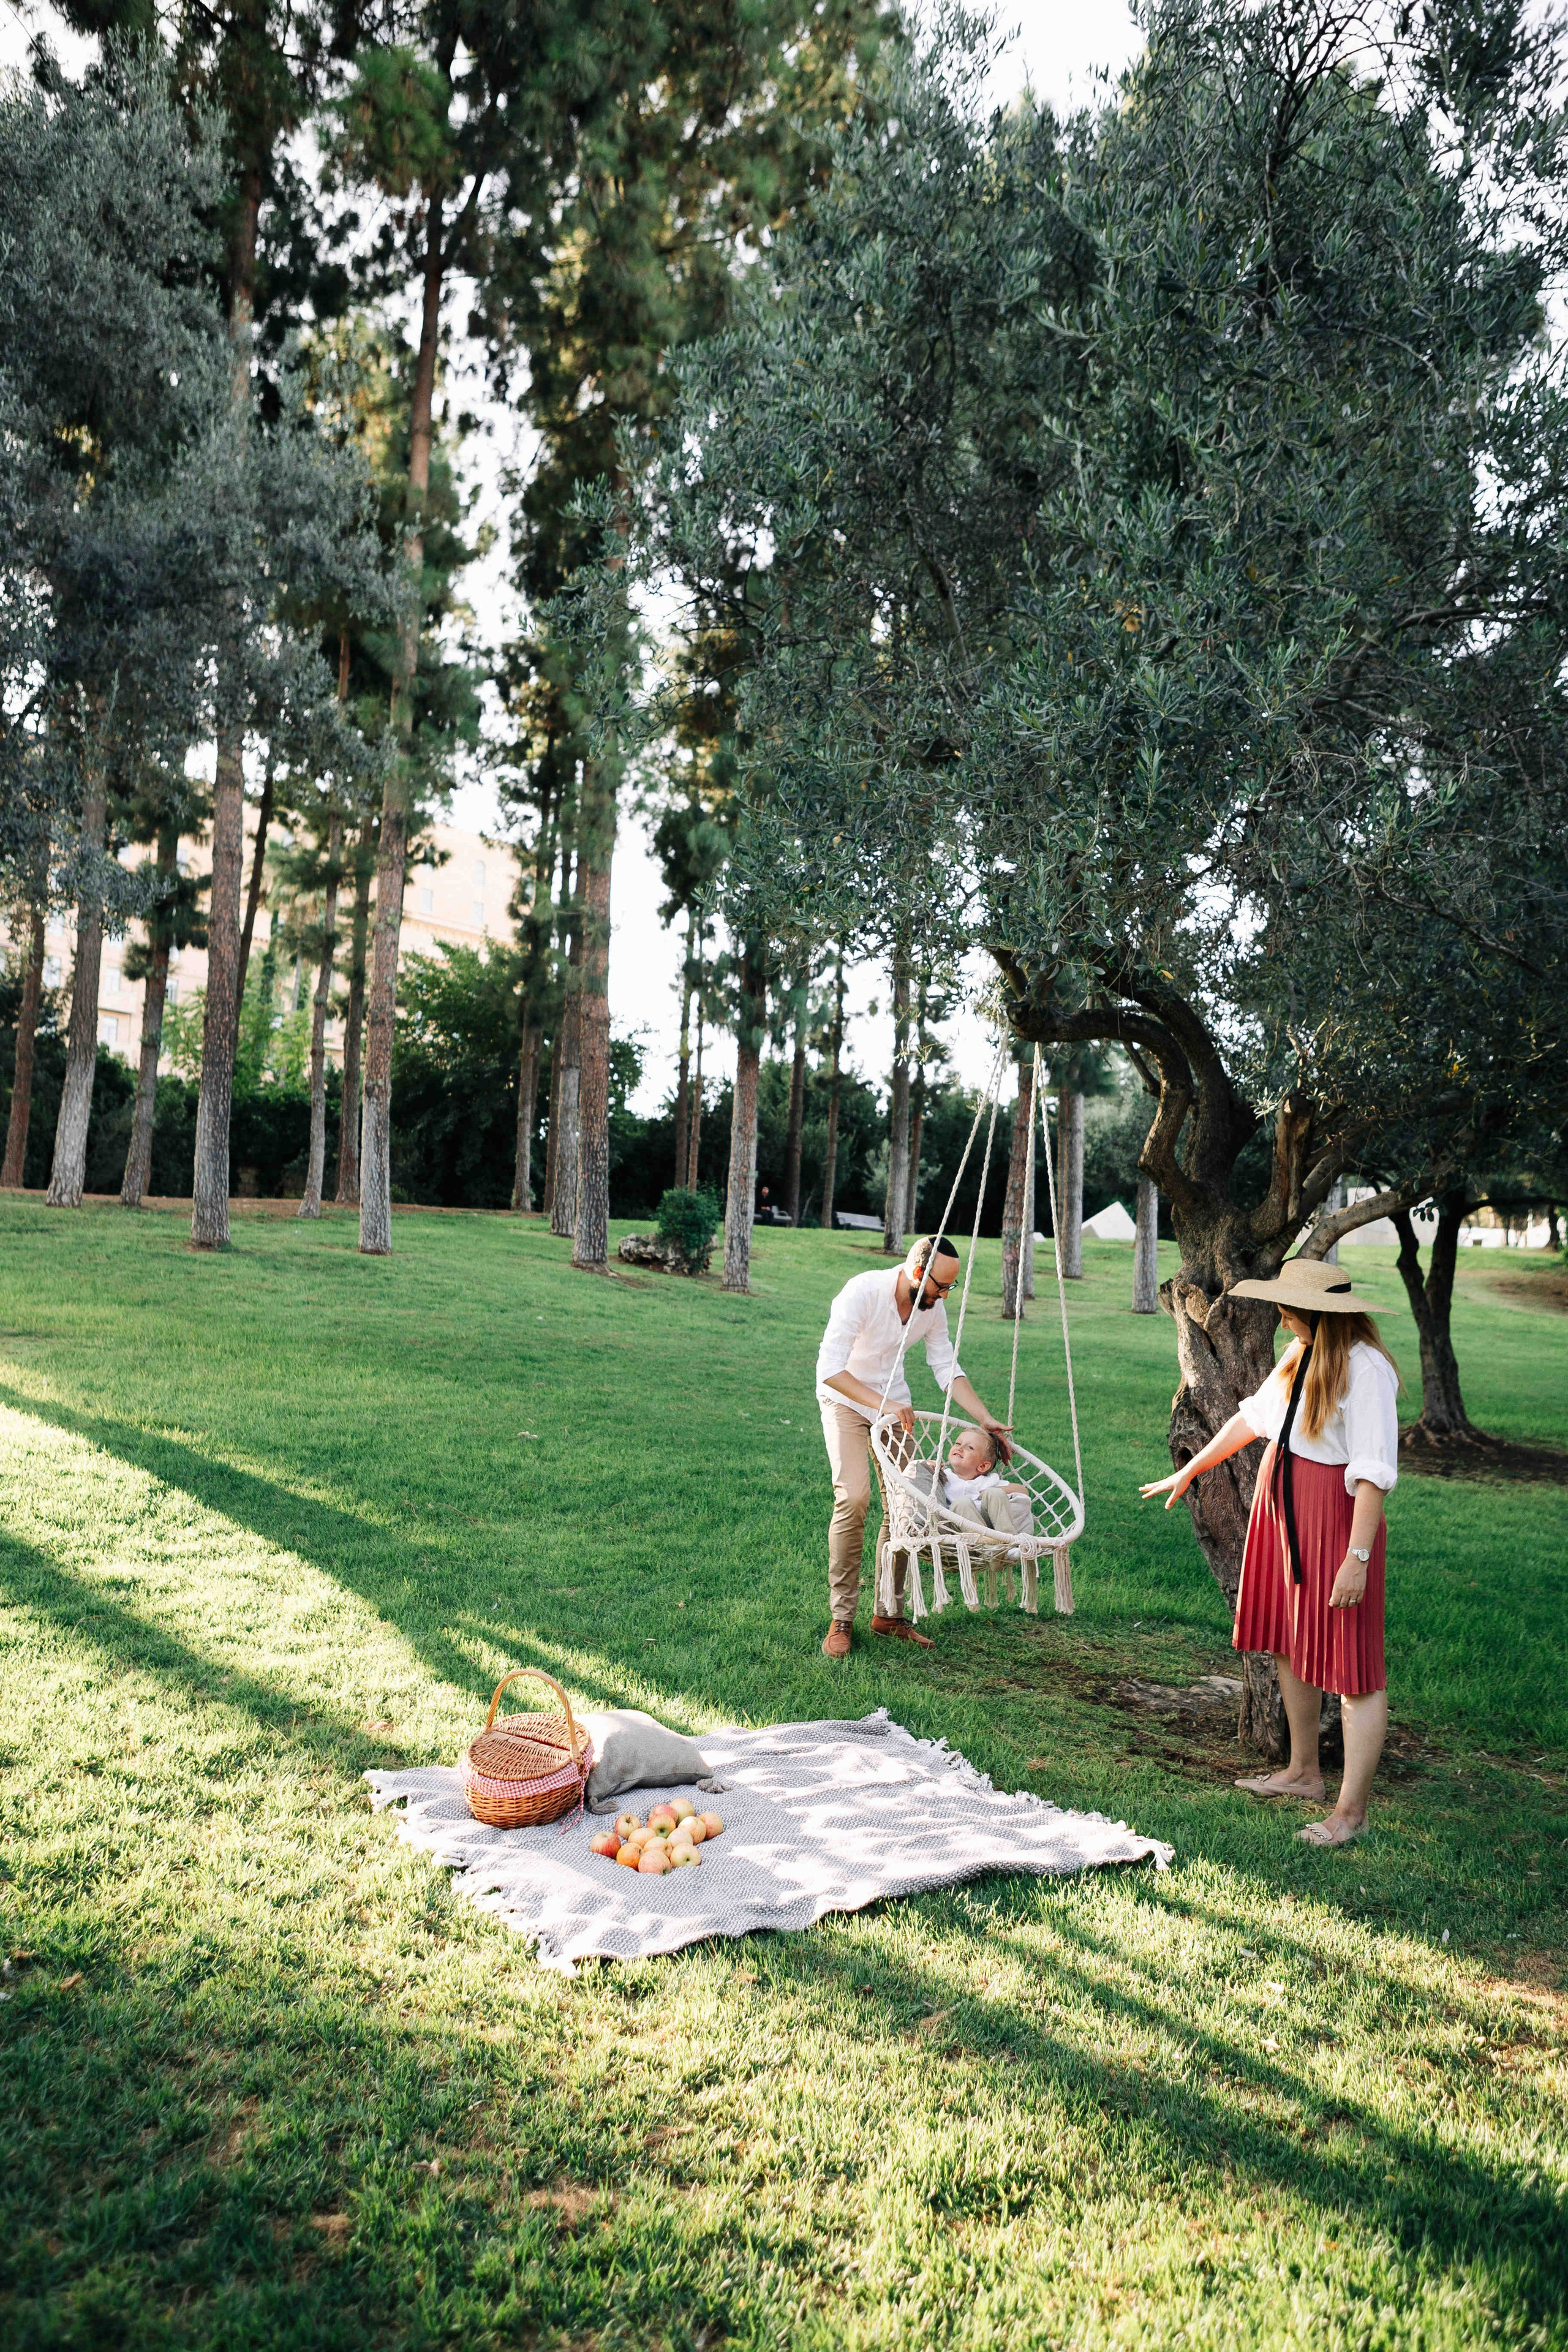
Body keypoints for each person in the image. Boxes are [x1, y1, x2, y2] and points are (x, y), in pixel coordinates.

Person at [1139, 1256, 1400, 1847]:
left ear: (1317, 1312)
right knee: (1288, 1638)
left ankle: (1351, 1813)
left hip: (1335, 1517)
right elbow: (1253, 1421)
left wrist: (1356, 1557)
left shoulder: (1366, 1369)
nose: (1281, 1320)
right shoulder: (1298, 1354)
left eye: (1288, 1309)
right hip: (1283, 1506)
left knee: (1353, 1666)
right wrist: (1192, 1472)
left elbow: (1373, 1475)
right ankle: (1303, 1772)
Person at [816, 1233, 1012, 1657]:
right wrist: (882, 1402)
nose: (945, 1296)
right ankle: (841, 1619)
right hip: (846, 1400)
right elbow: (830, 1368)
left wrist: (983, 1417)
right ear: (916, 1272)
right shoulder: (863, 1292)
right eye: (941, 1287)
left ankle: (888, 1614)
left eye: (950, 1289)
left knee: (906, 1506)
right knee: (853, 1498)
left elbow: (945, 1364)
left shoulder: (931, 1307)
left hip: (892, 1405)